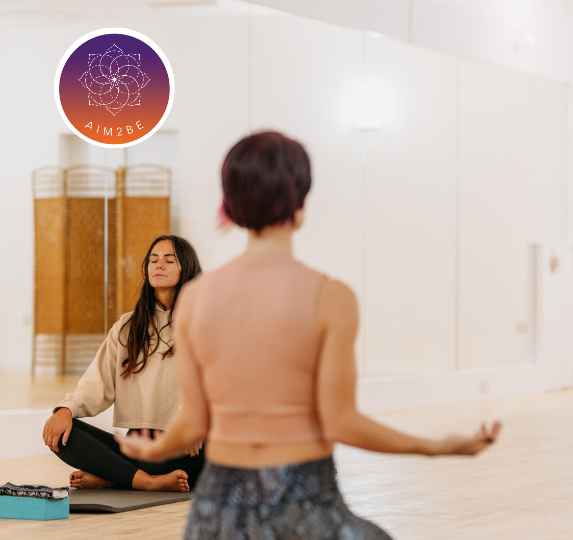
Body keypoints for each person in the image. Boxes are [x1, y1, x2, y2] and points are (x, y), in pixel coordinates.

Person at [117, 131, 501, 539]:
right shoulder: (331, 299)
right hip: (304, 505)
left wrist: (156, 450)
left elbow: (193, 424)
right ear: (299, 204)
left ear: (230, 206)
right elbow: (340, 422)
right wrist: (438, 446)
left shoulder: (194, 300)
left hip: (218, 512)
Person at [41, 235, 204, 492]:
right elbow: (97, 382)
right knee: (64, 435)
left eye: (169, 260)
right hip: (139, 446)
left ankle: (116, 477)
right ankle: (144, 481)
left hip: (187, 447)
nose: (158, 265)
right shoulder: (128, 326)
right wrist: (66, 410)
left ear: (187, 268)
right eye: (153, 259)